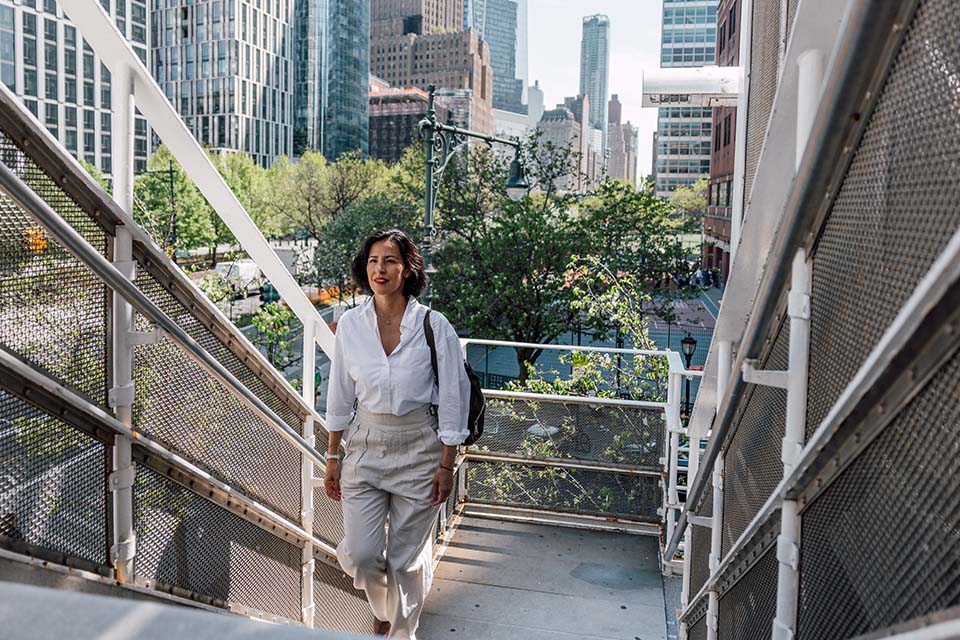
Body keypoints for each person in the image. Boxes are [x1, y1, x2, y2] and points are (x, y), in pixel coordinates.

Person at [323, 229, 470, 639]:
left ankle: (400, 633)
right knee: (361, 555)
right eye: (373, 261)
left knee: (405, 562)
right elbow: (340, 394)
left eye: (390, 261)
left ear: (407, 270)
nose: (380, 269)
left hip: (420, 447)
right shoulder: (350, 325)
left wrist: (447, 465)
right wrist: (332, 456)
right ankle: (385, 609)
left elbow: (453, 399)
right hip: (365, 445)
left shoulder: (433, 325)